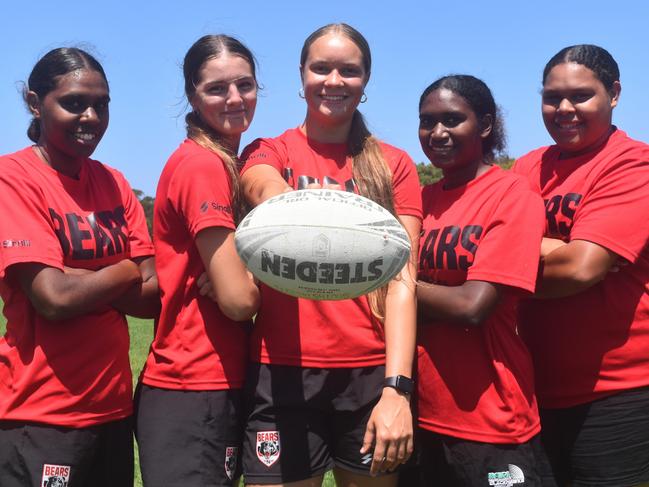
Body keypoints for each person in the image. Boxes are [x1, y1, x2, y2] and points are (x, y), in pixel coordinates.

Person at [239, 23, 422, 487]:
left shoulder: (394, 164)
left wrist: (396, 390)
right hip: (280, 372)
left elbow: (404, 281)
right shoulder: (270, 149)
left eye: (349, 70)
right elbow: (259, 184)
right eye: (321, 68)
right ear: (301, 75)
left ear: (366, 80)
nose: (334, 81)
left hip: (368, 376)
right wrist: (297, 208)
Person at [0, 47, 158, 487]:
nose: (91, 116)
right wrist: (126, 270)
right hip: (41, 415)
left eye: (101, 104)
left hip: (112, 409)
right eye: (73, 103)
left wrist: (77, 279)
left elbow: (154, 298)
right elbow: (52, 298)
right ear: (35, 103)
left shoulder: (113, 182)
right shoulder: (12, 178)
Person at [512, 45, 649, 487]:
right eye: (552, 97)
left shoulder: (632, 163)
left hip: (616, 392)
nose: (564, 109)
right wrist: (562, 247)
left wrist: (507, 261)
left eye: (580, 96)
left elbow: (580, 270)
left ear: (614, 94)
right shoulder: (527, 167)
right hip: (532, 390)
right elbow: (484, 245)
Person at [134, 35, 260, 487]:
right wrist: (247, 279)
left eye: (245, 85)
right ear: (191, 95)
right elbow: (239, 300)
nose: (234, 98)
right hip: (192, 384)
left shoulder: (225, 161)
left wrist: (240, 269)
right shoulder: (203, 166)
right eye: (216, 88)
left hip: (210, 381)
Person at [411, 75, 545, 487]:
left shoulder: (512, 194)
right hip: (421, 414)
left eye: (452, 120)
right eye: (427, 121)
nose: (437, 133)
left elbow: (474, 305)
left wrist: (387, 284)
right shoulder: (419, 201)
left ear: (484, 125)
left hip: (492, 417)